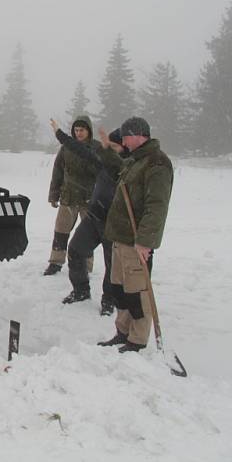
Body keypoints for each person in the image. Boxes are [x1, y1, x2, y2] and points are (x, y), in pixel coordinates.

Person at [97, 116, 173, 353]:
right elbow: (118, 166)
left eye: (126, 137)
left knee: (137, 292)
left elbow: (156, 206)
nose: (124, 142)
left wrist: (145, 241)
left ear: (139, 135)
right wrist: (106, 148)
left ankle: (137, 339)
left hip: (135, 242)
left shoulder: (157, 164)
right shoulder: (134, 161)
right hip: (120, 238)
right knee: (119, 289)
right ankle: (123, 331)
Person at [49, 119, 127, 315]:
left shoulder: (126, 166)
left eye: (114, 146)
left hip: (114, 222)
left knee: (112, 265)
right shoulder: (102, 159)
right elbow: (79, 149)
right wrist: (60, 134)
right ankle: (81, 290)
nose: (109, 148)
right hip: (94, 216)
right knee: (75, 250)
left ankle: (109, 300)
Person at [44, 115, 101, 275]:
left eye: (82, 130)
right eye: (76, 130)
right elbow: (58, 171)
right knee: (60, 231)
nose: (78, 133)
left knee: (87, 235)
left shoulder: (97, 148)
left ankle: (86, 266)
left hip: (89, 199)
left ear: (88, 130)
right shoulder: (66, 147)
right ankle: (55, 262)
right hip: (68, 197)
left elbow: (103, 173)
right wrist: (53, 195)